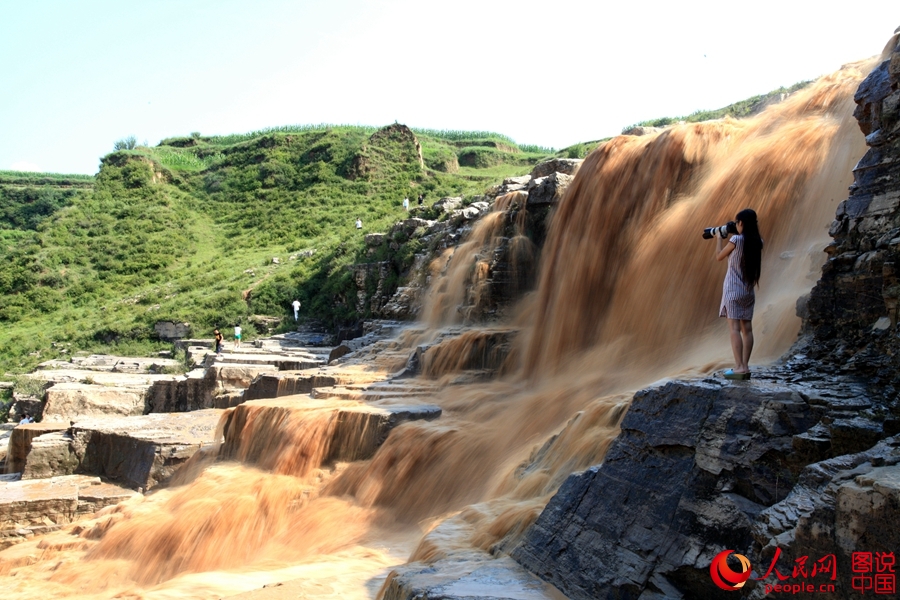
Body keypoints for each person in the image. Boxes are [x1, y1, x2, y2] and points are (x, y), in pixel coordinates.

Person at [715, 208, 763, 380]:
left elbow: (719, 256)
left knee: (734, 329)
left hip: (733, 290)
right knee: (747, 329)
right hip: (748, 292)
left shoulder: (735, 239)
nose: (735, 225)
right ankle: (746, 366)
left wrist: (720, 239)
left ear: (741, 223)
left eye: (736, 222)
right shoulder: (758, 242)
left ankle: (738, 367)